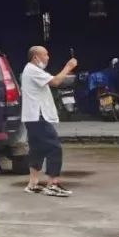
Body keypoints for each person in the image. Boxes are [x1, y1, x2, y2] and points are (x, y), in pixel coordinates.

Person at [20, 46, 77, 197]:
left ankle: (33, 183)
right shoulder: (32, 70)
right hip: (37, 116)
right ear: (35, 57)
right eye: (45, 55)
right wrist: (68, 67)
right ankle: (53, 183)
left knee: (37, 149)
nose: (48, 58)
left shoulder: (31, 70)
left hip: (32, 116)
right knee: (54, 147)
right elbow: (56, 82)